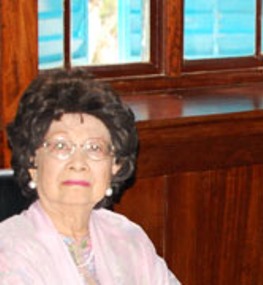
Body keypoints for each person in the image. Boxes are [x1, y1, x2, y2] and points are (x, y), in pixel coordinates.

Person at [0, 70, 179, 283]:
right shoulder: (9, 250)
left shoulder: (128, 238)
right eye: (61, 146)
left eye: (95, 148)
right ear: (32, 162)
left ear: (114, 165)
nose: (78, 163)